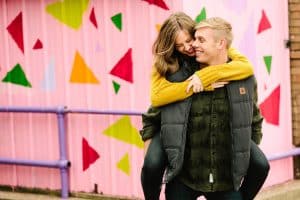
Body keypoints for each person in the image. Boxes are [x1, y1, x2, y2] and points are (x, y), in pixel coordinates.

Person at [140, 13, 269, 200]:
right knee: (151, 164)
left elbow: (253, 115)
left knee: (261, 165)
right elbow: (156, 103)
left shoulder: (240, 73)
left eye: (195, 40)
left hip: (222, 179)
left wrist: (208, 75)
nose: (190, 47)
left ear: (220, 44)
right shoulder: (175, 70)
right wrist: (150, 157)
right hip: (185, 176)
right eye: (179, 45)